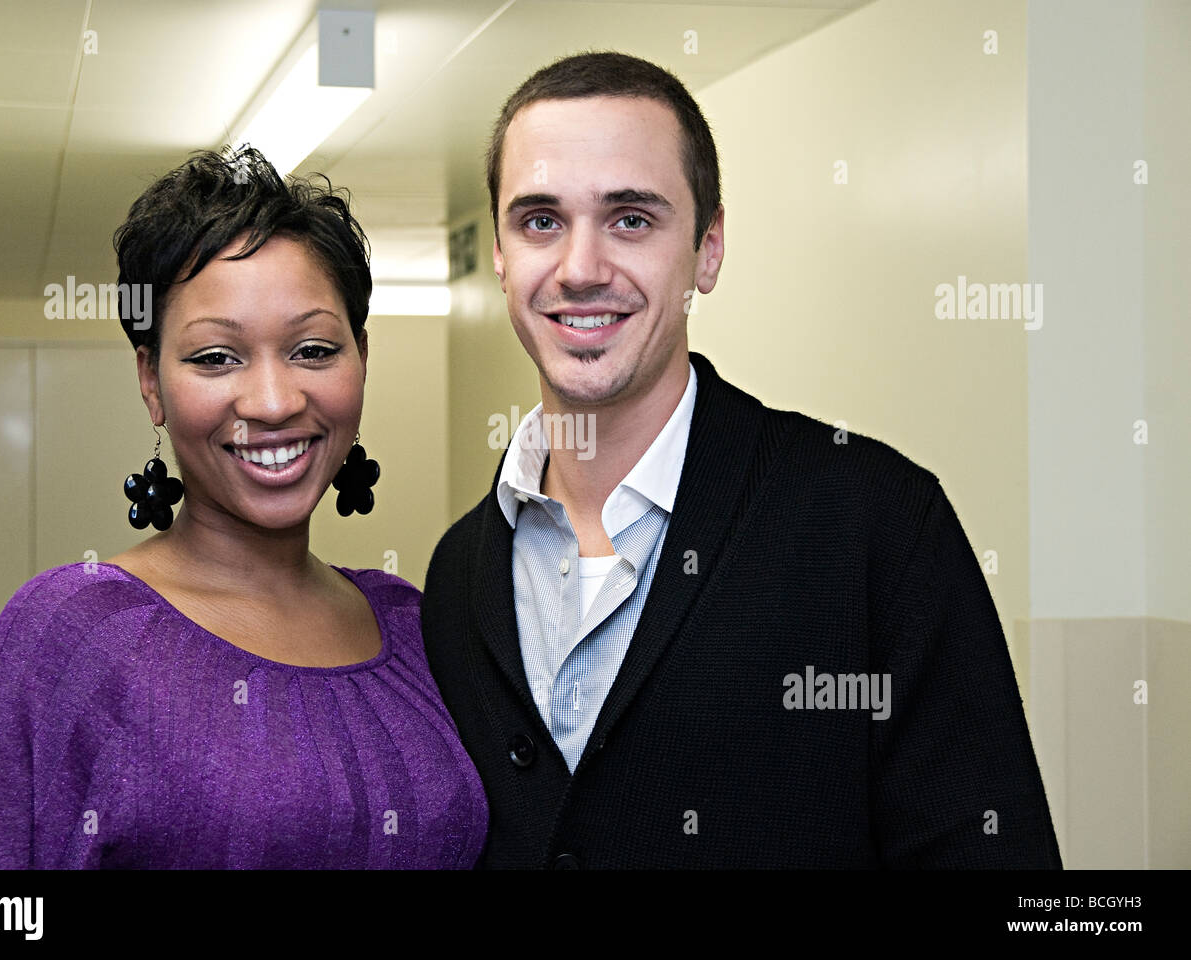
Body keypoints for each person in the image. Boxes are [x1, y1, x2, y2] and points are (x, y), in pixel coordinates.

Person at [420, 52, 1062, 868]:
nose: (580, 269)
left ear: (708, 249)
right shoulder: (455, 577)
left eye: (632, 219)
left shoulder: (876, 526)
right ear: (503, 255)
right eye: (541, 220)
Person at [0, 146, 487, 869]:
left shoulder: (416, 628)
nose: (275, 402)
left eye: (313, 349)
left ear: (362, 360)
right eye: (216, 358)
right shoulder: (64, 639)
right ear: (150, 382)